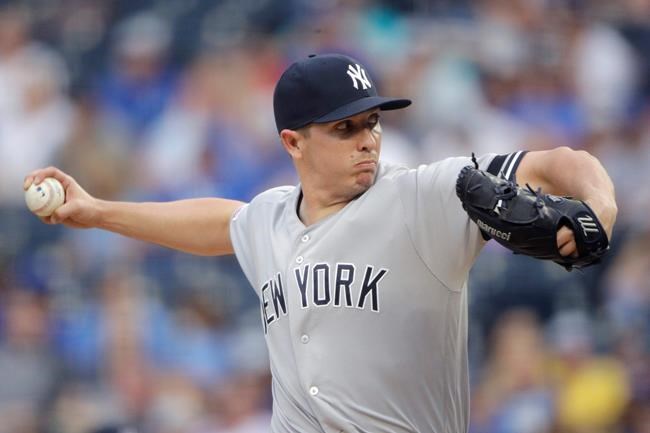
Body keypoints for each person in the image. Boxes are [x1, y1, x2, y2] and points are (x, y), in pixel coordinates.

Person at [25, 53, 617, 433]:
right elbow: (218, 223)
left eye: (372, 123)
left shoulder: (424, 196)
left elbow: (563, 162)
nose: (368, 140)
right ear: (293, 142)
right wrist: (98, 211)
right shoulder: (270, 220)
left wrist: (602, 213)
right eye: (344, 128)